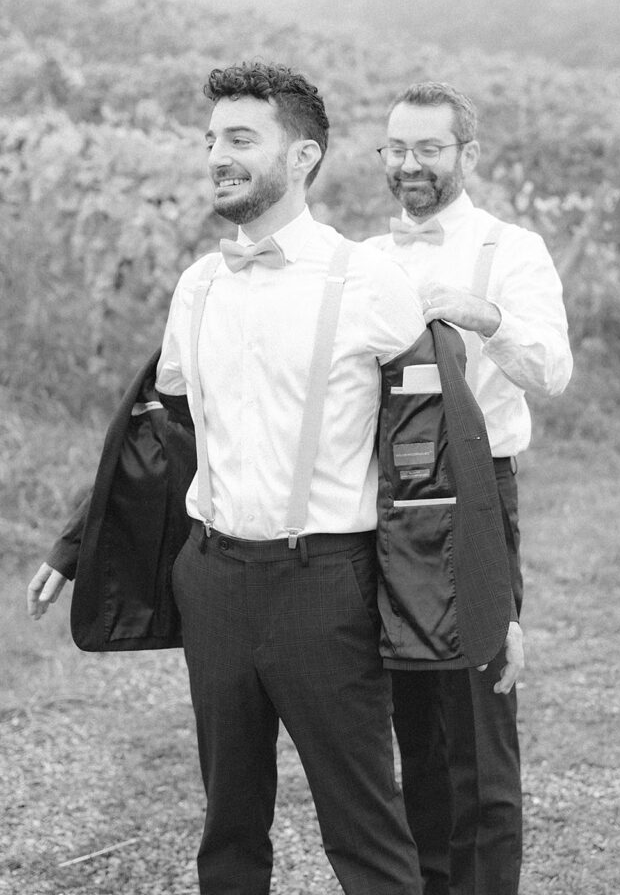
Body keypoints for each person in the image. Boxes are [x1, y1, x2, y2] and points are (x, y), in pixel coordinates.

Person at [27, 61, 427, 895]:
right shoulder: (199, 284)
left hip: (326, 584)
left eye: (241, 139)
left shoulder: (371, 283)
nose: (217, 155)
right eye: (211, 140)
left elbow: (432, 443)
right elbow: (162, 435)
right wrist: (75, 540)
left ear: (305, 156)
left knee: (364, 830)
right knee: (228, 828)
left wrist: (479, 593)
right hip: (212, 579)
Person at [367, 81, 573, 895]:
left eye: (427, 149)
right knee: (413, 730)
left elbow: (551, 372)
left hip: (477, 494)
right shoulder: (366, 258)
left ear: (466, 155)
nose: (408, 165)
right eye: (395, 149)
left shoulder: (510, 248)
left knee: (479, 725)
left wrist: (484, 316)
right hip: (387, 499)